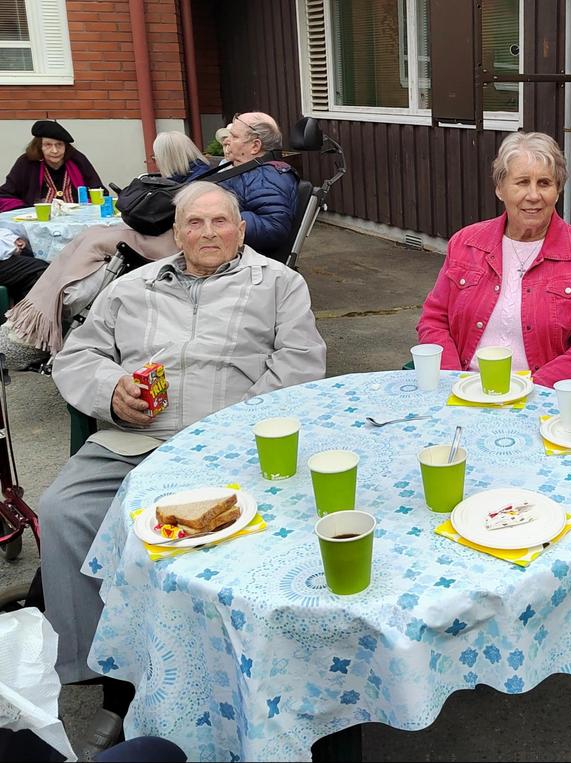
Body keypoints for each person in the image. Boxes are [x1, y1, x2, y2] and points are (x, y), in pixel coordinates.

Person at [37, 182, 327, 757]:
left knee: (218, 544)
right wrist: (111, 391)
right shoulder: (131, 288)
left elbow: (299, 363)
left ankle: (238, 670)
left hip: (231, 449)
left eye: (221, 222)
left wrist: (229, 431)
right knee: (64, 509)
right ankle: (112, 676)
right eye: (195, 223)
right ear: (177, 233)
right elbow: (77, 355)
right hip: (135, 439)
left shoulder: (278, 284)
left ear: (240, 230)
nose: (209, 232)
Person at [3, 111, 299, 355]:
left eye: (232, 136)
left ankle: (44, 320)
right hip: (186, 235)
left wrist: (211, 217)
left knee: (101, 242)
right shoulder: (238, 168)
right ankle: (39, 314)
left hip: (200, 244)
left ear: (255, 146)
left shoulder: (269, 175)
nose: (224, 140)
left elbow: (274, 227)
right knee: (91, 235)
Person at [416, 131, 571, 388]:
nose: (533, 195)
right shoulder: (465, 243)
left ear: (557, 191)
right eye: (522, 182)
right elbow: (434, 320)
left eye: (544, 183)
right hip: (465, 388)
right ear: (500, 189)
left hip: (539, 393)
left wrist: (530, 388)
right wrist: (454, 380)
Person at [0, 120, 105, 212]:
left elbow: (99, 192)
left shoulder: (77, 160)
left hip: (77, 217)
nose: (54, 151)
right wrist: (26, 210)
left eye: (59, 144)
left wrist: (85, 207)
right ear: (39, 147)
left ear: (65, 146)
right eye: (48, 145)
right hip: (39, 219)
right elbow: (5, 195)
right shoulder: (27, 162)